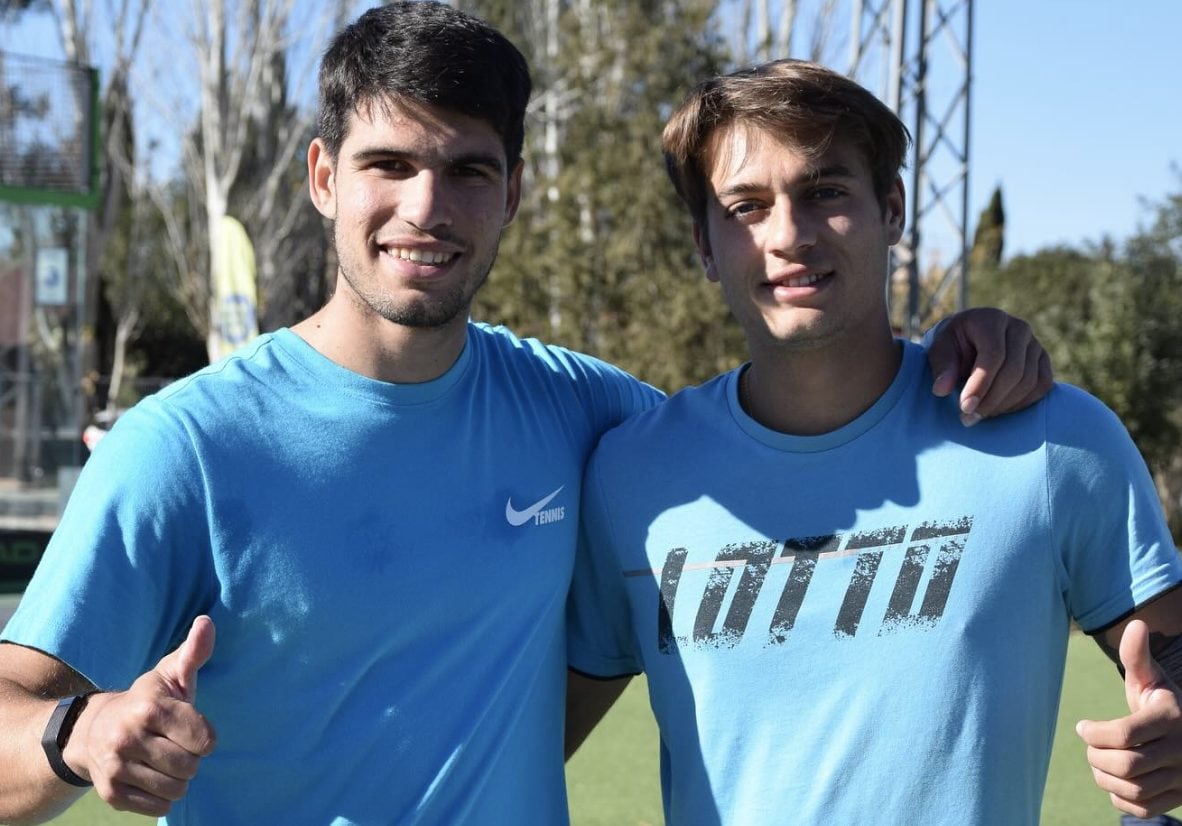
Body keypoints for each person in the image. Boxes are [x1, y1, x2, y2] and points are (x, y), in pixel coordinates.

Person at [0, 6, 1048, 825]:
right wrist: (75, 735)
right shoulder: (183, 447)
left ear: (513, 194)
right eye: (389, 165)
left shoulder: (586, 415)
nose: (426, 207)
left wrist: (961, 347)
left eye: (467, 170)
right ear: (324, 178)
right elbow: (15, 707)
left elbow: (795, 424)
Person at [566, 59, 1182, 825]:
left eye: (825, 193)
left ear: (891, 208)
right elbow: (515, 740)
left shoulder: (1053, 441)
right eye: (746, 207)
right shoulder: (633, 476)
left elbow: (1171, 668)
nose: (788, 235)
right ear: (703, 243)